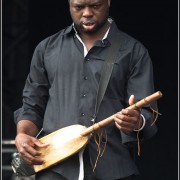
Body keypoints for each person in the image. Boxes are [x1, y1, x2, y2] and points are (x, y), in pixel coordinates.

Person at [14, 0, 158, 179]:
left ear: (108, 2)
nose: (87, 13)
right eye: (79, 7)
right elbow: (32, 105)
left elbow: (147, 115)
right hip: (55, 167)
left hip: (112, 170)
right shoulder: (47, 49)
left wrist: (137, 121)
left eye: (95, 6)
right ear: (69, 4)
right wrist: (22, 135)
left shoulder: (134, 51)